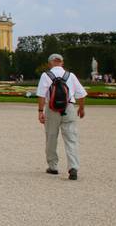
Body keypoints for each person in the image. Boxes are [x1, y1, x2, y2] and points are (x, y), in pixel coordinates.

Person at [37, 53, 87, 181]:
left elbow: (42, 95)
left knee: (51, 138)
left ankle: (53, 166)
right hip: (69, 108)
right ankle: (73, 168)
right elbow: (81, 94)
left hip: (52, 109)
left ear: (50, 63)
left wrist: (40, 111)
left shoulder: (46, 75)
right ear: (62, 63)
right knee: (71, 139)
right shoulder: (70, 75)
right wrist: (81, 108)